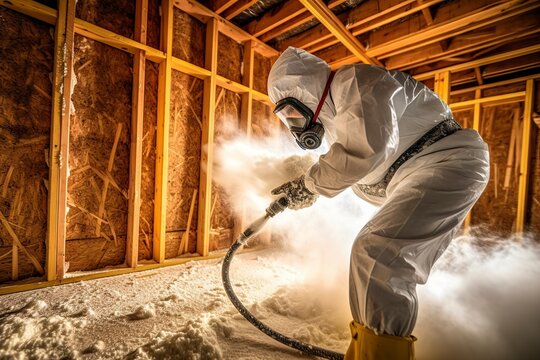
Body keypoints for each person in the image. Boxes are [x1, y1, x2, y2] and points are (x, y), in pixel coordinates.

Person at [268, 47, 489, 359]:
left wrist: (309, 185)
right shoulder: (339, 114)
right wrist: (312, 183)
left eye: (291, 112)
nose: (293, 123)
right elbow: (361, 164)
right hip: (424, 168)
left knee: (378, 252)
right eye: (285, 118)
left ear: (307, 91)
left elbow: (368, 149)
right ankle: (369, 348)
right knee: (372, 254)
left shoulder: (354, 83)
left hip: (446, 162)